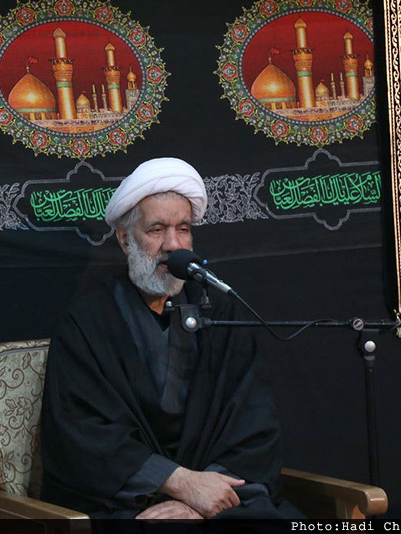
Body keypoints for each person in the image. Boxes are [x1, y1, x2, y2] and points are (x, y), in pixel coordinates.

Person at [40, 157, 291, 519]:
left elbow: (254, 428)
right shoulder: (88, 322)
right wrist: (177, 482)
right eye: (157, 229)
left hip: (220, 498)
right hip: (130, 501)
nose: (173, 245)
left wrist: (204, 496)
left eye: (183, 229)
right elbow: (82, 436)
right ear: (125, 239)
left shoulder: (220, 314)